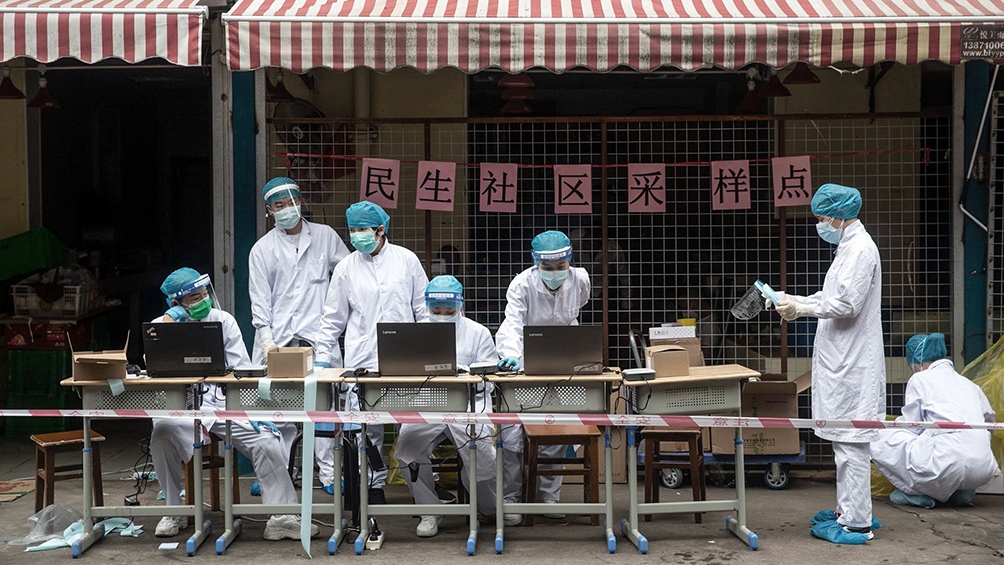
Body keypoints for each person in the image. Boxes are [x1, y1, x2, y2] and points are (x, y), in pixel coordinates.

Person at [149, 268, 318, 540]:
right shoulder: (162, 325)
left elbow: (241, 369)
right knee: (161, 437)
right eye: (194, 297)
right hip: (181, 407)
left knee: (265, 440)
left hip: (221, 404)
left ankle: (281, 516)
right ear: (175, 303)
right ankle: (174, 511)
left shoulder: (222, 321)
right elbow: (154, 366)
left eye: (204, 293)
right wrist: (171, 323)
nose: (203, 299)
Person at [770, 184, 885, 544]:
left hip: (853, 365)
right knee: (844, 443)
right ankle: (848, 509)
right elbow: (832, 296)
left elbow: (847, 304)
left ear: (839, 215)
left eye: (822, 219)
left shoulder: (860, 250)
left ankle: (856, 523)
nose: (821, 225)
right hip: (844, 360)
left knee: (851, 445)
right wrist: (796, 300)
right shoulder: (847, 247)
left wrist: (802, 309)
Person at [313, 201, 429, 505]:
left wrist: (431, 350)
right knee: (367, 429)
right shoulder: (346, 267)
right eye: (352, 230)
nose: (356, 236)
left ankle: (423, 494)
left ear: (381, 230)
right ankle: (372, 488)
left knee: (413, 428)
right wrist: (323, 357)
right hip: (362, 359)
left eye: (362, 229)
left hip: (406, 360)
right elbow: (332, 318)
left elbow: (423, 310)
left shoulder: (407, 260)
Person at [248, 176, 350, 495]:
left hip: (318, 336)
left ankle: (329, 473)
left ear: (301, 201)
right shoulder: (262, 249)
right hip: (278, 339)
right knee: (276, 411)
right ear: (269, 210)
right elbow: (259, 297)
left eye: (291, 202)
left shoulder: (325, 236)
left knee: (324, 406)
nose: (287, 209)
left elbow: (348, 273)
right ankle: (278, 474)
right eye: (279, 205)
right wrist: (265, 338)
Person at [495, 230, 591, 524]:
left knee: (556, 427)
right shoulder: (521, 284)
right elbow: (512, 322)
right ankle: (511, 496)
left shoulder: (581, 279)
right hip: (524, 360)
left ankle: (549, 494)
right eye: (546, 268)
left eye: (560, 267)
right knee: (513, 434)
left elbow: (578, 310)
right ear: (536, 263)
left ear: (569, 261)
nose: (554, 273)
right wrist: (510, 355)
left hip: (565, 359)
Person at [394, 275, 499, 537]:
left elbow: (488, 381)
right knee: (407, 446)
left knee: (482, 453)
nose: (442, 316)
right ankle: (430, 510)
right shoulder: (414, 333)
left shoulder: (478, 333)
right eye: (435, 311)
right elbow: (402, 374)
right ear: (426, 306)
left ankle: (487, 508)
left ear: (461, 305)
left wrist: (463, 375)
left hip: (469, 406)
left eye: (449, 311)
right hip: (426, 405)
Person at [871, 333, 998, 509]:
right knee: (943, 446)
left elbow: (912, 425)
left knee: (875, 435)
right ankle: (961, 494)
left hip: (946, 465)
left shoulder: (920, 379)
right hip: (983, 469)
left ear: (918, 361)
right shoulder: (969, 384)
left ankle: (920, 495)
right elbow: (989, 422)